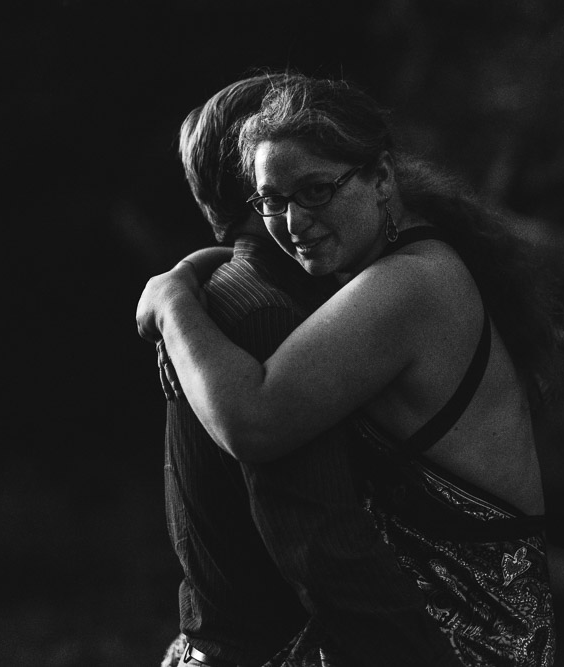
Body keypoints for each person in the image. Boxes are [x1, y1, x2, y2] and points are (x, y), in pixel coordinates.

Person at [139, 74, 564, 666]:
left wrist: (172, 303)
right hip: (434, 615)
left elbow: (252, 420)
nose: (294, 222)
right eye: (272, 200)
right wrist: (199, 268)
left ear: (381, 178)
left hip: (474, 635)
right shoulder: (391, 256)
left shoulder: (410, 285)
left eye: (316, 191)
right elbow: (254, 253)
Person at [158, 74, 456, 667]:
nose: (297, 219)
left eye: (317, 188)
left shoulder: (229, 299)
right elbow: (320, 543)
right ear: (256, 181)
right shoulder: (265, 315)